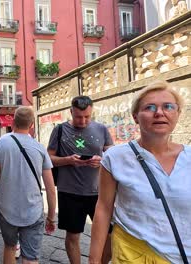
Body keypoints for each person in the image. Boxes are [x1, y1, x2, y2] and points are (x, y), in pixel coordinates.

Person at [89, 81, 191, 264]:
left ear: (178, 114)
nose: (159, 113)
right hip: (132, 255)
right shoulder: (115, 158)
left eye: (168, 106)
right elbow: (103, 209)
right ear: (135, 116)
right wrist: (94, 260)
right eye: (150, 107)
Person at [0, 106, 57, 264]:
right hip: (34, 211)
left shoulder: (2, 143)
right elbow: (50, 189)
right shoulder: (40, 148)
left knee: (9, 247)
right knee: (30, 258)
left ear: (13, 122)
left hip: (7, 210)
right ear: (32, 125)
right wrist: (51, 217)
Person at [47, 95, 113, 264]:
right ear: (71, 112)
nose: (83, 121)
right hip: (69, 192)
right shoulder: (60, 130)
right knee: (73, 235)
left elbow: (112, 155)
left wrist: (101, 160)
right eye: (78, 117)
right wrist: (68, 160)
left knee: (109, 235)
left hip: (99, 192)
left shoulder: (102, 129)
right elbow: (49, 158)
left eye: (87, 117)